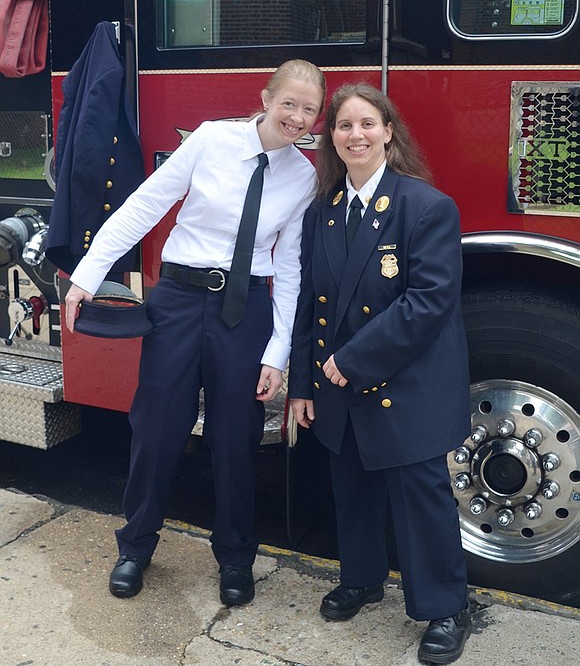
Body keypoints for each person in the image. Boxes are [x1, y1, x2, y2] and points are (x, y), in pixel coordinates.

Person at [65, 59, 326, 606]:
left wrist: (277, 351)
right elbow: (147, 203)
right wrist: (90, 273)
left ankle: (235, 557)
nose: (298, 118)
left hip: (246, 309)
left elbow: (292, 266)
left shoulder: (304, 176)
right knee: (157, 429)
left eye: (309, 110)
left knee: (237, 437)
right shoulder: (211, 141)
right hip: (180, 300)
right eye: (289, 104)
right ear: (265, 96)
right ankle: (135, 547)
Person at [288, 83, 472, 665]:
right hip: (340, 387)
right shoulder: (323, 212)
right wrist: (302, 386)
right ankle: (363, 579)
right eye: (343, 126)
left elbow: (428, 303)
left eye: (367, 124)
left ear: (389, 132)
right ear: (332, 139)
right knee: (355, 491)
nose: (356, 135)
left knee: (421, 502)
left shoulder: (426, 207)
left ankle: (445, 608)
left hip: (405, 385)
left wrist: (348, 363)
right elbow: (309, 304)